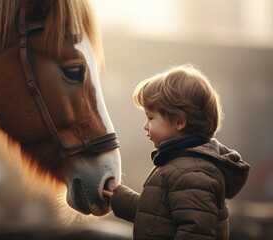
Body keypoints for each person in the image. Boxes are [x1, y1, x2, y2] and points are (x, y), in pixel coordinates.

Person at [103, 64, 250, 240]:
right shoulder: (180, 166)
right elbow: (157, 215)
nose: (145, 125)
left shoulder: (193, 174)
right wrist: (119, 198)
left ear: (179, 122)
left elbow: (197, 232)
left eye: (151, 118)